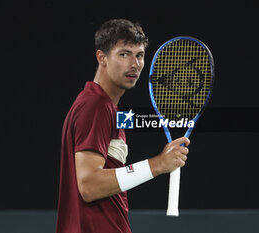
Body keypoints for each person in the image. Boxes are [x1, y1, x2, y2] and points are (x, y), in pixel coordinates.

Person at [56, 19, 190, 233]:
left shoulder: (107, 108)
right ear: (102, 58)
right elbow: (89, 185)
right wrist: (158, 165)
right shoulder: (95, 106)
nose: (134, 64)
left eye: (139, 55)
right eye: (124, 54)